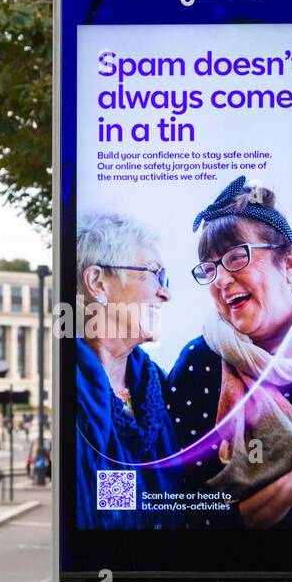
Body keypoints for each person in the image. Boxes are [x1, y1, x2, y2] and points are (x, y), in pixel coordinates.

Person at [168, 177, 292, 529]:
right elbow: (187, 516)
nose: (220, 281)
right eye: (210, 269)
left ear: (289, 262)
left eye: (237, 257)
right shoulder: (199, 367)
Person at [75, 211, 181, 528]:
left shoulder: (158, 386)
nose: (166, 292)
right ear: (98, 283)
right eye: (155, 274)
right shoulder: (70, 394)